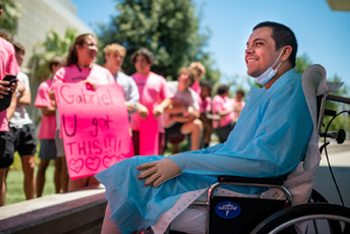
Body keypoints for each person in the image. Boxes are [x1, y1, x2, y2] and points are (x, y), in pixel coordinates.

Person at [96, 21, 314, 234]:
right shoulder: (270, 92)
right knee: (134, 170)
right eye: (247, 45)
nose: (248, 50)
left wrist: (183, 162)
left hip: (240, 188)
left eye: (258, 44)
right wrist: (179, 159)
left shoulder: (291, 88)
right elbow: (230, 148)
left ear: (284, 53)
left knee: (131, 175)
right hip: (229, 178)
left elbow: (267, 161)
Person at [51, 33, 116, 191]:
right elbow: (52, 94)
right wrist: (79, 87)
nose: (95, 48)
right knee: (78, 178)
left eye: (96, 45)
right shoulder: (64, 72)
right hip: (76, 134)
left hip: (100, 133)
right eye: (90, 44)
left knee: (97, 178)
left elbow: (114, 97)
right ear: (78, 48)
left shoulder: (104, 73)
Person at [7, 41, 37, 201]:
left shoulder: (23, 76)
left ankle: (30, 206)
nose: (23, 58)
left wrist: (10, 95)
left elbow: (27, 101)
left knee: (31, 166)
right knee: (3, 170)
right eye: (20, 54)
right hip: (7, 125)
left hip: (25, 124)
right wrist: (18, 90)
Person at [130, 48, 173, 155]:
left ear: (149, 62)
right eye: (137, 60)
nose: (140, 63)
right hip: (135, 127)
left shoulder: (159, 79)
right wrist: (137, 106)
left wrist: (161, 107)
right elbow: (123, 99)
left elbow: (168, 99)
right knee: (135, 159)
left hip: (155, 127)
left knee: (155, 161)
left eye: (143, 60)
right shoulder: (130, 80)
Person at [35, 56, 65, 197]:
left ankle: (58, 196)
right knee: (43, 166)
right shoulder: (44, 86)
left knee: (60, 167)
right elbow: (46, 111)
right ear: (53, 67)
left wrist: (58, 106)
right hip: (47, 133)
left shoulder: (65, 86)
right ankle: (37, 198)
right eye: (61, 65)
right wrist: (63, 108)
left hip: (62, 133)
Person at [0, 0, 19, 206]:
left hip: (1, 123)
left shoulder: (7, 48)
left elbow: (12, 80)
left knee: (0, 179)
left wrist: (11, 87)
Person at [164, 67, 202, 153]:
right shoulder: (169, 86)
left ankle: (194, 157)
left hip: (178, 123)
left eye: (189, 77)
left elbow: (196, 114)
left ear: (191, 81)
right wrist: (185, 108)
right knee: (159, 154)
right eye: (184, 74)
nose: (185, 78)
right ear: (179, 77)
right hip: (163, 123)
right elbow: (165, 109)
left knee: (197, 124)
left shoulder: (191, 94)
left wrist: (176, 118)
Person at [103, 43, 139, 122]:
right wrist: (122, 105)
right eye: (115, 56)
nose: (118, 59)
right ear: (107, 57)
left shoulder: (127, 80)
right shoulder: (97, 77)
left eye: (121, 57)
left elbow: (133, 104)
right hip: (101, 122)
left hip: (121, 124)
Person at [199, 80, 215, 148]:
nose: (211, 92)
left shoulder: (207, 99)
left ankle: (206, 145)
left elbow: (205, 114)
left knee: (209, 125)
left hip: (202, 121)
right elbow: (202, 115)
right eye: (209, 90)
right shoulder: (197, 96)